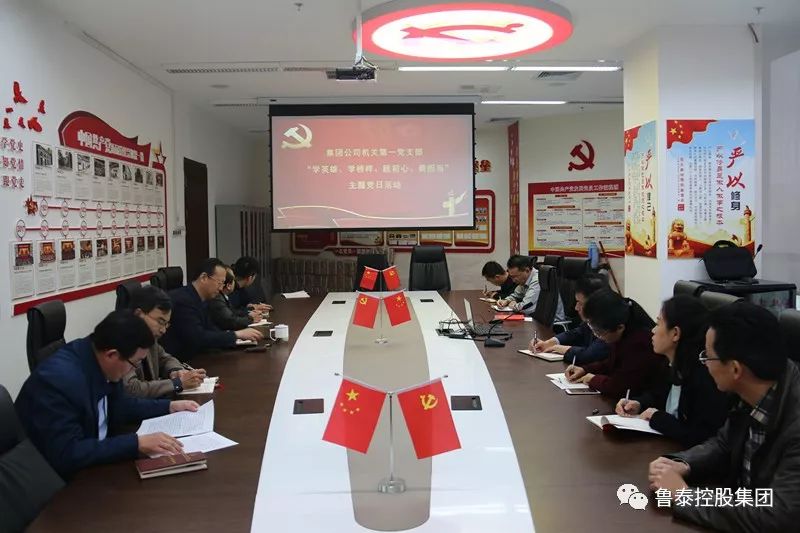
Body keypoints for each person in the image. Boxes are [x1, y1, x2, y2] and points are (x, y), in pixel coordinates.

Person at [649, 302, 800, 532]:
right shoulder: (754, 388)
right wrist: (682, 464)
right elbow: (723, 443)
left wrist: (684, 496)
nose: (704, 364)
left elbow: (776, 515)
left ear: (735, 369)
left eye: (707, 357)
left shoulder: (795, 423)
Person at [14, 310, 199, 480]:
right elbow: (68, 453)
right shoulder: (58, 381)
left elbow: (121, 406)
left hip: (97, 460)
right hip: (61, 483)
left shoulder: (97, 356)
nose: (133, 369)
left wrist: (168, 407)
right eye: (135, 363)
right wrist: (135, 443)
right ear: (111, 355)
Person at [615, 295, 731, 446]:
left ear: (675, 333)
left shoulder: (704, 376)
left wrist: (658, 418)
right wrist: (638, 404)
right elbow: (658, 395)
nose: (653, 330)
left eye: (658, 324)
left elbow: (701, 436)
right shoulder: (669, 363)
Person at [564, 289, 666, 397]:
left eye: (599, 332)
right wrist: (585, 369)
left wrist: (593, 379)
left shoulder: (640, 343)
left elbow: (620, 387)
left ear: (620, 328)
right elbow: (611, 362)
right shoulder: (622, 328)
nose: (598, 336)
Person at [160, 258, 263, 359]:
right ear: (204, 278)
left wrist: (238, 339)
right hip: (183, 361)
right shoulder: (183, 301)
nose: (221, 288)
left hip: (199, 356)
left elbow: (211, 329)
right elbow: (198, 337)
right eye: (220, 283)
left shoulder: (202, 298)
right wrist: (236, 335)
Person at [124, 285, 207, 397]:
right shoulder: (120, 340)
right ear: (139, 314)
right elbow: (131, 389)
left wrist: (176, 371)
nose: (163, 330)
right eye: (160, 322)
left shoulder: (149, 338)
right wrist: (177, 383)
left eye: (166, 324)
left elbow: (165, 358)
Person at [530, 273, 610, 365]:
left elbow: (589, 355)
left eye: (580, 303)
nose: (576, 308)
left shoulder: (611, 323)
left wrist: (561, 348)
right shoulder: (593, 319)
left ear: (596, 303)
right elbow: (577, 333)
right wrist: (550, 342)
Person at [497, 255, 565, 321]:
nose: (513, 280)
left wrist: (514, 305)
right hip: (536, 318)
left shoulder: (538, 280)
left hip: (552, 323)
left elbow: (525, 308)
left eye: (515, 276)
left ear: (527, 270)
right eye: (511, 277)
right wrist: (506, 300)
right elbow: (516, 295)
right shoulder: (524, 280)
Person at [208, 266, 263, 331]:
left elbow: (233, 312)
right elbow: (231, 321)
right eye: (234, 280)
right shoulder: (217, 298)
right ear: (228, 285)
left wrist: (249, 312)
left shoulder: (223, 296)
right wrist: (251, 319)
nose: (236, 282)